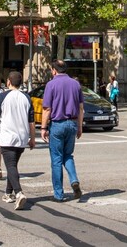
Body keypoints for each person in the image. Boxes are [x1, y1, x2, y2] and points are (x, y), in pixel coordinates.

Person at [0, 71, 35, 211]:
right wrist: (33, 139)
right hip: (22, 137)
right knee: (13, 165)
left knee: (11, 166)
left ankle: (19, 193)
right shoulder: (27, 98)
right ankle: (7, 193)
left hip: (8, 137)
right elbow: (31, 122)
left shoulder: (3, 96)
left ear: (8, 82)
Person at [40, 59, 84, 202]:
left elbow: (47, 109)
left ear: (54, 70)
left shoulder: (51, 85)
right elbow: (81, 108)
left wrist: (43, 127)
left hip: (57, 124)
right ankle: (74, 179)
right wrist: (80, 126)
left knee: (57, 159)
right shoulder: (75, 84)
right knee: (68, 155)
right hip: (72, 123)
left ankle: (58, 194)